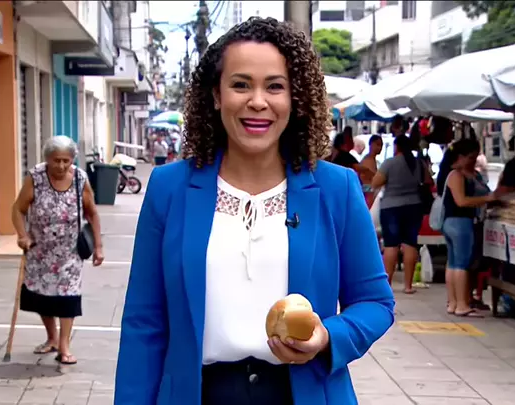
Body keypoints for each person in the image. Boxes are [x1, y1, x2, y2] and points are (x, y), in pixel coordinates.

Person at [114, 18, 395, 405]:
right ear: (217, 95)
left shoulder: (337, 189)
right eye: (241, 84)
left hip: (303, 393)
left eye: (275, 86)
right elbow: (144, 323)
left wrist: (328, 337)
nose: (258, 101)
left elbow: (376, 303)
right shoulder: (169, 188)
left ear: (295, 98)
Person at [11, 136, 104, 365]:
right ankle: (52, 338)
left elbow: (92, 213)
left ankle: (64, 346)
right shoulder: (36, 178)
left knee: (68, 297)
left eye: (66, 160)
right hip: (40, 251)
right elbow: (18, 209)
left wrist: (98, 246)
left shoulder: (80, 179)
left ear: (72, 160)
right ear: (47, 159)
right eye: (56, 160)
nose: (61, 166)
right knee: (42, 297)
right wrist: (22, 235)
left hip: (70, 253)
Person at [440, 138, 498, 317]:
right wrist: (487, 199)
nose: (473, 161)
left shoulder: (462, 175)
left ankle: (453, 303)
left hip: (452, 223)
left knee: (453, 263)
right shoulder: (456, 176)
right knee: (461, 264)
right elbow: (461, 201)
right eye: (471, 157)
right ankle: (462, 304)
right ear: (460, 157)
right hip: (460, 223)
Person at [371, 135, 432, 294]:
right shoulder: (418, 163)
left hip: (391, 207)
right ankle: (408, 285)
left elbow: (375, 183)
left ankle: (387, 285)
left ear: (396, 147)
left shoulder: (390, 163)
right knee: (410, 244)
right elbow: (429, 181)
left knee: (391, 245)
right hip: (414, 206)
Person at [361, 135, 383, 208]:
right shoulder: (367, 160)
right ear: (371, 144)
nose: (380, 148)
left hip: (371, 193)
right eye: (377, 144)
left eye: (381, 145)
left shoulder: (372, 160)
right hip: (368, 193)